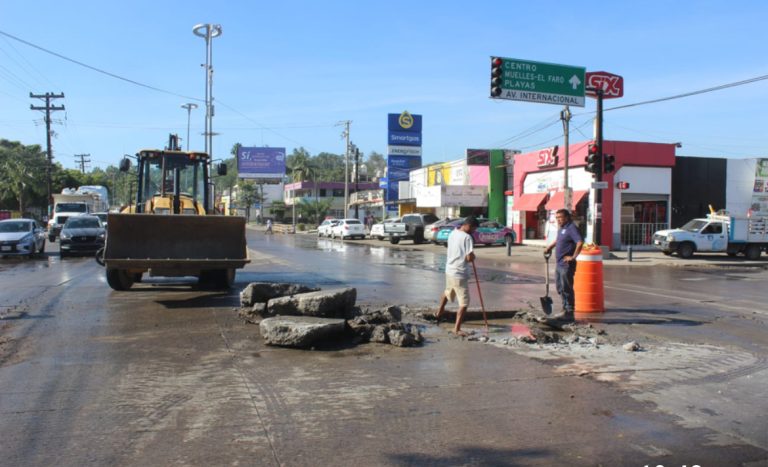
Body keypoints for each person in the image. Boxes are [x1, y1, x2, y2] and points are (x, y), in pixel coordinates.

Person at [434, 216, 479, 336]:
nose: (473, 231)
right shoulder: (467, 237)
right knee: (464, 303)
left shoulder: (453, 233)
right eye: (474, 229)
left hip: (449, 269)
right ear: (469, 226)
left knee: (448, 291)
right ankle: (457, 329)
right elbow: (469, 257)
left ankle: (439, 311)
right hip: (459, 272)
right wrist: (473, 257)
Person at [543, 209, 584, 322]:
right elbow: (558, 240)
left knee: (567, 288)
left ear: (567, 217)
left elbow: (580, 242)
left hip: (567, 265)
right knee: (560, 287)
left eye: (560, 217)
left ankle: (569, 312)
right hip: (559, 263)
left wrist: (573, 257)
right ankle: (564, 309)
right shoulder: (562, 228)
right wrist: (550, 247)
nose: (558, 220)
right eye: (557, 218)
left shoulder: (572, 228)